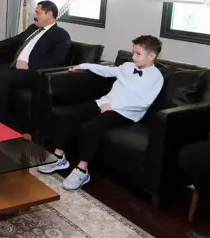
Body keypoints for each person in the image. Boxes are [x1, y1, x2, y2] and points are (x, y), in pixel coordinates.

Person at [38, 35, 164, 191]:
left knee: (90, 127)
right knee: (68, 116)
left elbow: (143, 103)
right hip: (104, 103)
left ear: (152, 56)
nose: (133, 57)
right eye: (133, 52)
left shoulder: (155, 77)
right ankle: (59, 157)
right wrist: (83, 65)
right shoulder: (127, 66)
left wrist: (113, 106)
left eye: (138, 54)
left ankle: (82, 170)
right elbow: (107, 71)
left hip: (126, 113)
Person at [0, 0, 70, 119]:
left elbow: (55, 60)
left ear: (49, 14)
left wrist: (28, 65)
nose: (35, 16)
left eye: (38, 13)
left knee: (2, 76)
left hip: (33, 72)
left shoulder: (60, 35)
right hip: (14, 66)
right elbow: (16, 39)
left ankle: (0, 117)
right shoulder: (33, 28)